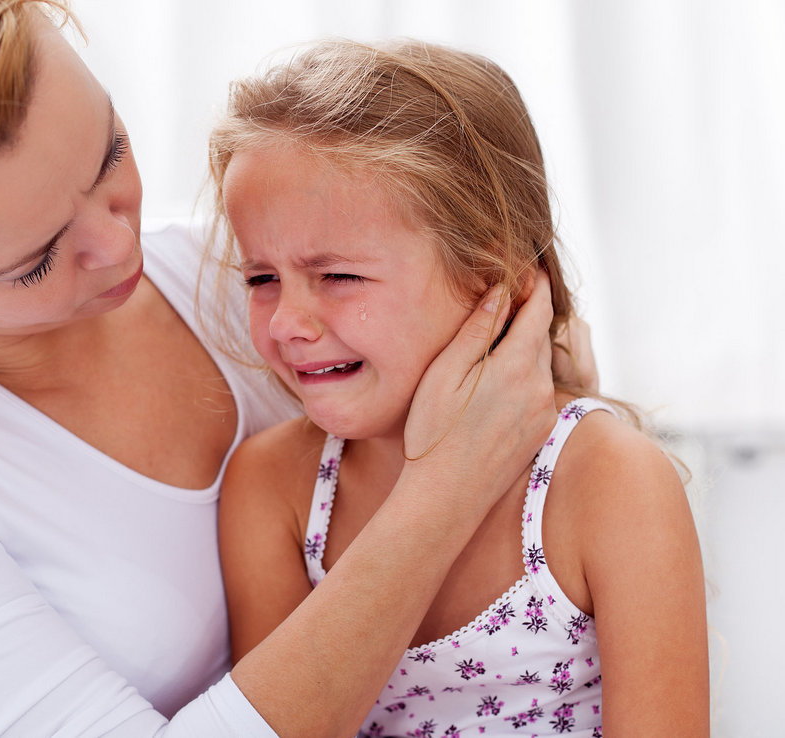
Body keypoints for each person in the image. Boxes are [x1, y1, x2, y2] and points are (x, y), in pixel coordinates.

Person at [0, 3, 579, 736]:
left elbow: (546, 435)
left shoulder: (251, 280)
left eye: (108, 153)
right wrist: (449, 484)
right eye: (33, 260)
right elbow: (475, 454)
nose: (117, 243)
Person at [211, 39, 709, 737]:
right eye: (262, 278)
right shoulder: (274, 488)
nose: (289, 322)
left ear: (488, 278)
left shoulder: (608, 480)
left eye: (339, 276)